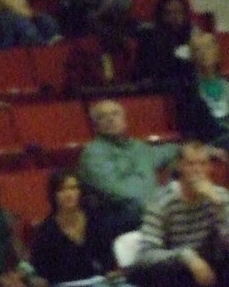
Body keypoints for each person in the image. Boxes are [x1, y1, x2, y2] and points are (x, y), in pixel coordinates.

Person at [132, 141, 229, 287]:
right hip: (177, 268)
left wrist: (219, 207)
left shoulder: (220, 196)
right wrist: (186, 256)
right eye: (190, 164)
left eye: (203, 164)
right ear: (179, 166)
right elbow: (146, 255)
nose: (197, 170)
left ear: (210, 167)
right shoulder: (161, 202)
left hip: (212, 264)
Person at [77, 99, 179, 236]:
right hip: (117, 215)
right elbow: (116, 190)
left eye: (115, 114)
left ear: (124, 120)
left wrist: (200, 149)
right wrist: (158, 203)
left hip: (150, 210)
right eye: (102, 116)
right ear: (96, 126)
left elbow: (168, 151)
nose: (110, 119)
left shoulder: (138, 147)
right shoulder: (93, 153)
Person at [28, 169, 120, 287]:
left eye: (73, 188)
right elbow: (40, 272)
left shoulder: (95, 220)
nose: (69, 194)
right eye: (62, 190)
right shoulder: (46, 231)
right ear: (53, 195)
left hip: (100, 281)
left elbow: (108, 260)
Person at [63, 0, 142, 97]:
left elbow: (138, 82)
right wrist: (111, 91)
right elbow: (73, 89)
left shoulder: (129, 48)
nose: (118, 28)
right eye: (111, 23)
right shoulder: (82, 48)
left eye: (123, 23)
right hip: (91, 103)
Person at [136, 0, 203, 92]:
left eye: (178, 12)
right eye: (169, 13)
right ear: (161, 15)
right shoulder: (150, 37)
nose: (174, 17)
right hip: (160, 85)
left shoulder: (193, 33)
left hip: (189, 82)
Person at [175, 33, 229, 150]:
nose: (204, 53)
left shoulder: (226, 84)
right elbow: (190, 130)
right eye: (198, 49)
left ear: (217, 52)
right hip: (211, 142)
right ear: (192, 56)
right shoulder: (187, 92)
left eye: (208, 47)